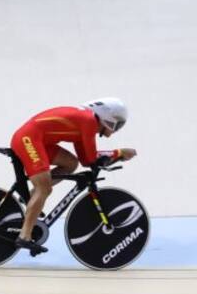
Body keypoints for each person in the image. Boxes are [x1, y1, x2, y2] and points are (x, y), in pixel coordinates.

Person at [10, 98, 138, 255]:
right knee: (44, 188)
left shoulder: (85, 122)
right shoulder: (89, 121)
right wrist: (119, 153)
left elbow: (86, 160)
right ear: (107, 117)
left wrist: (116, 155)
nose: (114, 131)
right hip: (28, 139)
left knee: (71, 163)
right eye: (117, 125)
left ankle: (31, 197)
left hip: (36, 139)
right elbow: (92, 158)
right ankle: (24, 236)